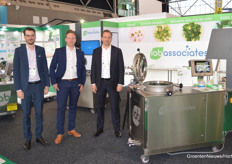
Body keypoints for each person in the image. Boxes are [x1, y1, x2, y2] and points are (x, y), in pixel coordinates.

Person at [13, 27, 50, 151]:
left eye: (32, 35)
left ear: (35, 36)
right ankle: (28, 139)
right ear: (24, 37)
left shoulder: (41, 50)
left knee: (39, 113)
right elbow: (16, 71)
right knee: (26, 114)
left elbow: (45, 69)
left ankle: (39, 136)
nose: (30, 37)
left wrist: (46, 85)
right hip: (25, 87)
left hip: (39, 86)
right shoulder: (19, 51)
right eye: (28, 35)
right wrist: (18, 89)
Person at [50, 30, 86, 144]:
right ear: (65, 39)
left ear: (75, 40)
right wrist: (54, 82)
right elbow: (51, 67)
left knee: (73, 107)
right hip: (63, 84)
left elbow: (82, 69)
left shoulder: (80, 53)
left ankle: (71, 129)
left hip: (75, 84)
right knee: (61, 108)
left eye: (73, 38)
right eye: (69, 38)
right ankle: (60, 133)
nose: (71, 40)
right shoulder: (59, 51)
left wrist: (82, 82)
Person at [91, 30, 125, 138]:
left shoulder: (117, 51)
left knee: (115, 107)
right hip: (100, 82)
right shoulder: (96, 51)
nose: (106, 39)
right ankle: (99, 129)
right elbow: (93, 68)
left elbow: (121, 68)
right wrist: (93, 83)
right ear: (101, 38)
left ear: (111, 38)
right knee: (100, 107)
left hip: (113, 83)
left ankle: (117, 129)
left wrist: (120, 83)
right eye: (105, 37)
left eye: (109, 37)